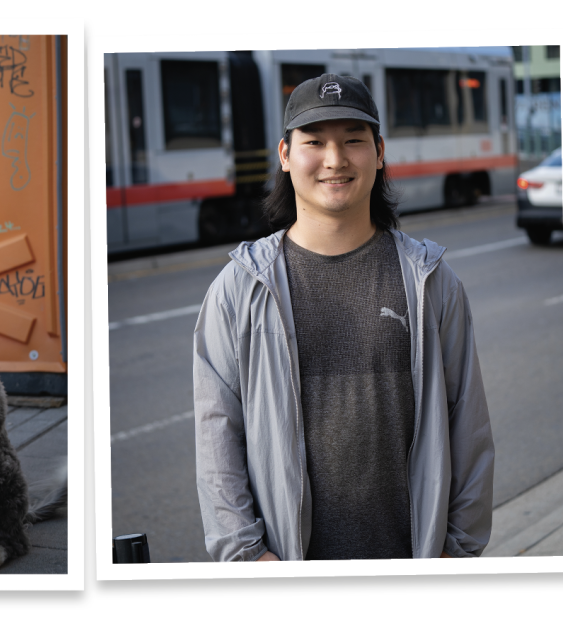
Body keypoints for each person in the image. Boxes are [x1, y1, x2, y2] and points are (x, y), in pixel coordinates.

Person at [193, 74, 494, 561]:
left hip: (414, 566)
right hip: (289, 572)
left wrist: (455, 554)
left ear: (378, 153)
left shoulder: (431, 281)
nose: (335, 159)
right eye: (315, 142)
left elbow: (469, 427)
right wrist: (249, 557)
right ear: (286, 155)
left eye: (353, 141)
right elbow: (216, 435)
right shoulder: (239, 288)